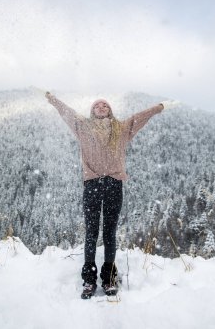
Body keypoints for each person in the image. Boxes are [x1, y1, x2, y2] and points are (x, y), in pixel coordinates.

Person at [45, 92, 178, 299]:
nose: (101, 106)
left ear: (110, 110)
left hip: (114, 184)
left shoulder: (122, 129)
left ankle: (108, 279)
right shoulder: (83, 126)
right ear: (91, 111)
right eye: (97, 105)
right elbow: (65, 111)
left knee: (109, 233)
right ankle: (89, 280)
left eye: (105, 105)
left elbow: (140, 117)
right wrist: (50, 97)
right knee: (91, 232)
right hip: (92, 184)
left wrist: (160, 106)